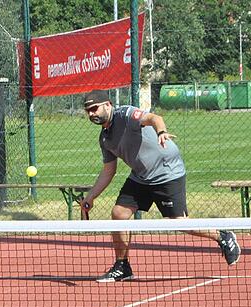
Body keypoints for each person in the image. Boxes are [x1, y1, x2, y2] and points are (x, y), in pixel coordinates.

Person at [79, 89, 241, 283]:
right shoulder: (105, 138)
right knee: (119, 213)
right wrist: (90, 197)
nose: (91, 114)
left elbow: (155, 117)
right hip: (141, 176)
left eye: (94, 108)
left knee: (178, 222)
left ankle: (222, 236)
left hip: (167, 172)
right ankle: (122, 266)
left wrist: (161, 132)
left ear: (107, 105)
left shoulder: (126, 114)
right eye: (88, 111)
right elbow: (108, 171)